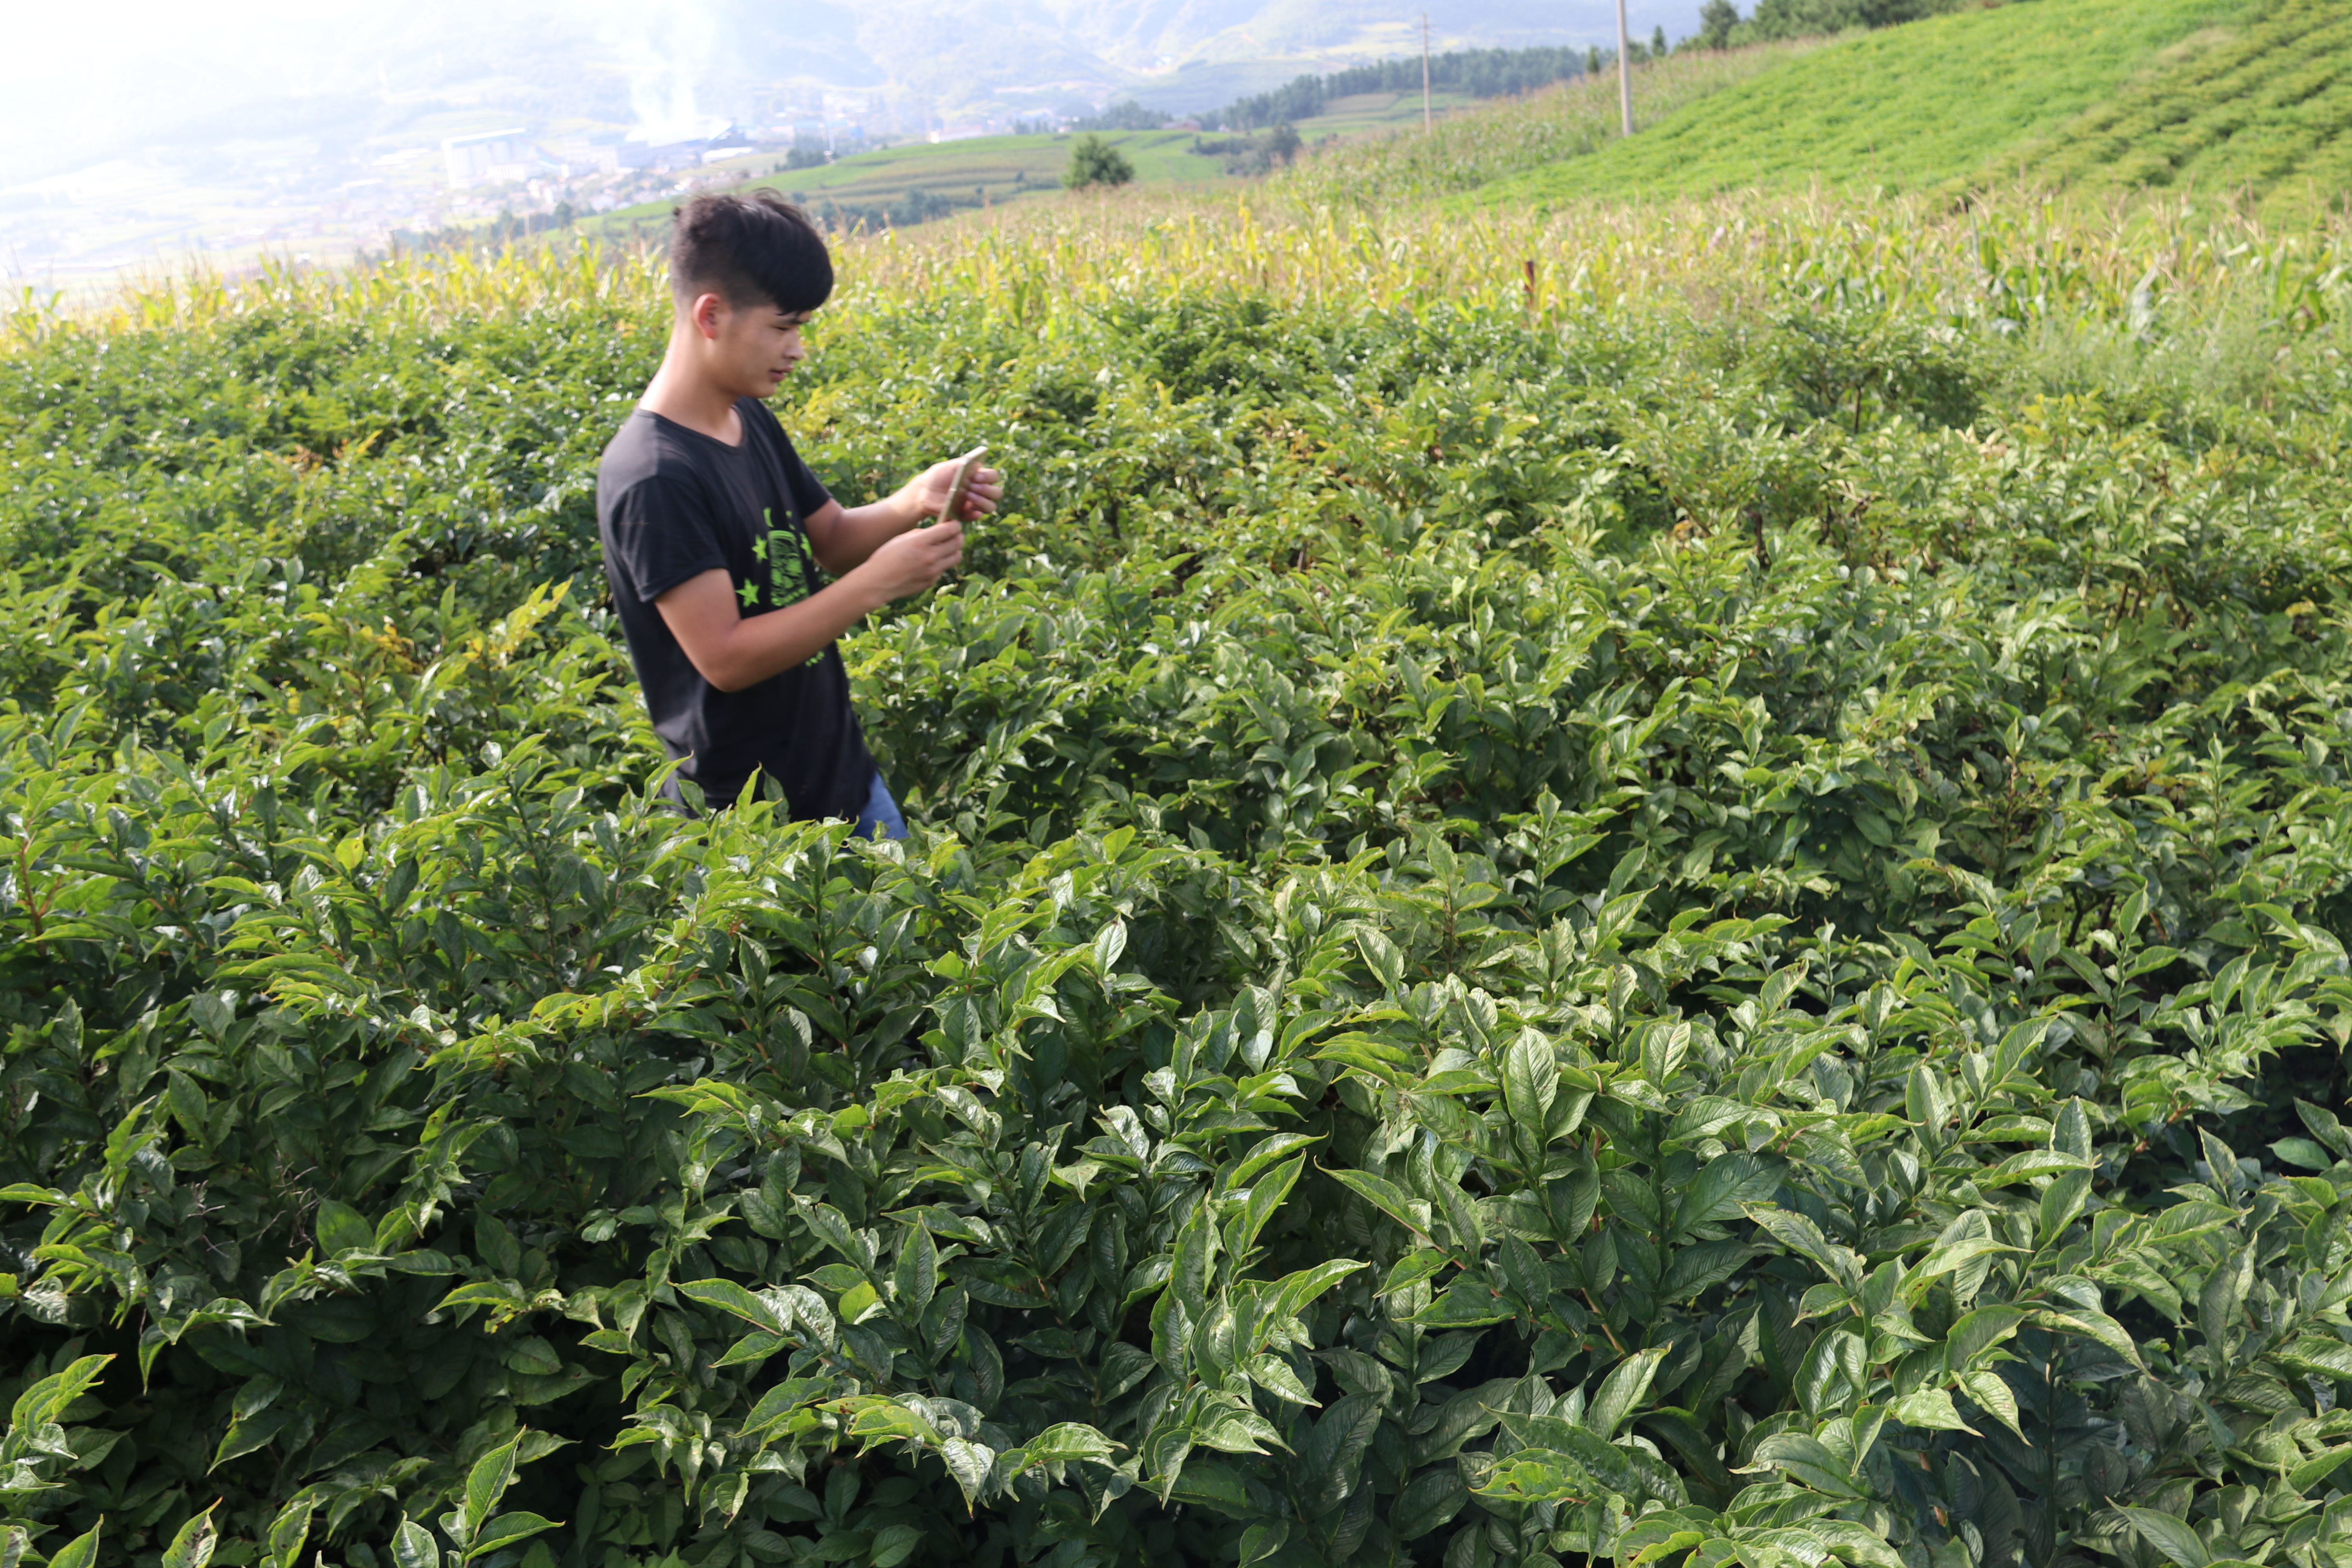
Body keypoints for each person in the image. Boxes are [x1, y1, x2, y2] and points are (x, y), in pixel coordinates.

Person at [595, 191, 998, 837]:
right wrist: (874, 586)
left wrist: (913, 502)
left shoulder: (745, 416)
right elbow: (725, 658)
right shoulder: (653, 476)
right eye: (783, 327)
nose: (797, 350)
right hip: (757, 829)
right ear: (711, 315)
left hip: (844, 776)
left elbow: (832, 539)